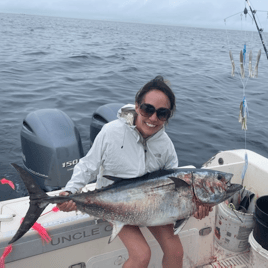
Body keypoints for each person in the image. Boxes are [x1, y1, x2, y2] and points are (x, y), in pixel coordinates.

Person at [57, 76, 212, 268]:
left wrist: (193, 207)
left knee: (176, 251)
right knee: (141, 255)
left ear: (168, 116)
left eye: (162, 113)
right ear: (137, 106)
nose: (153, 118)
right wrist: (70, 192)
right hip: (115, 204)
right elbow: (87, 165)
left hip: (155, 206)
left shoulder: (166, 147)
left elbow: (173, 191)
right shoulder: (110, 132)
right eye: (148, 109)